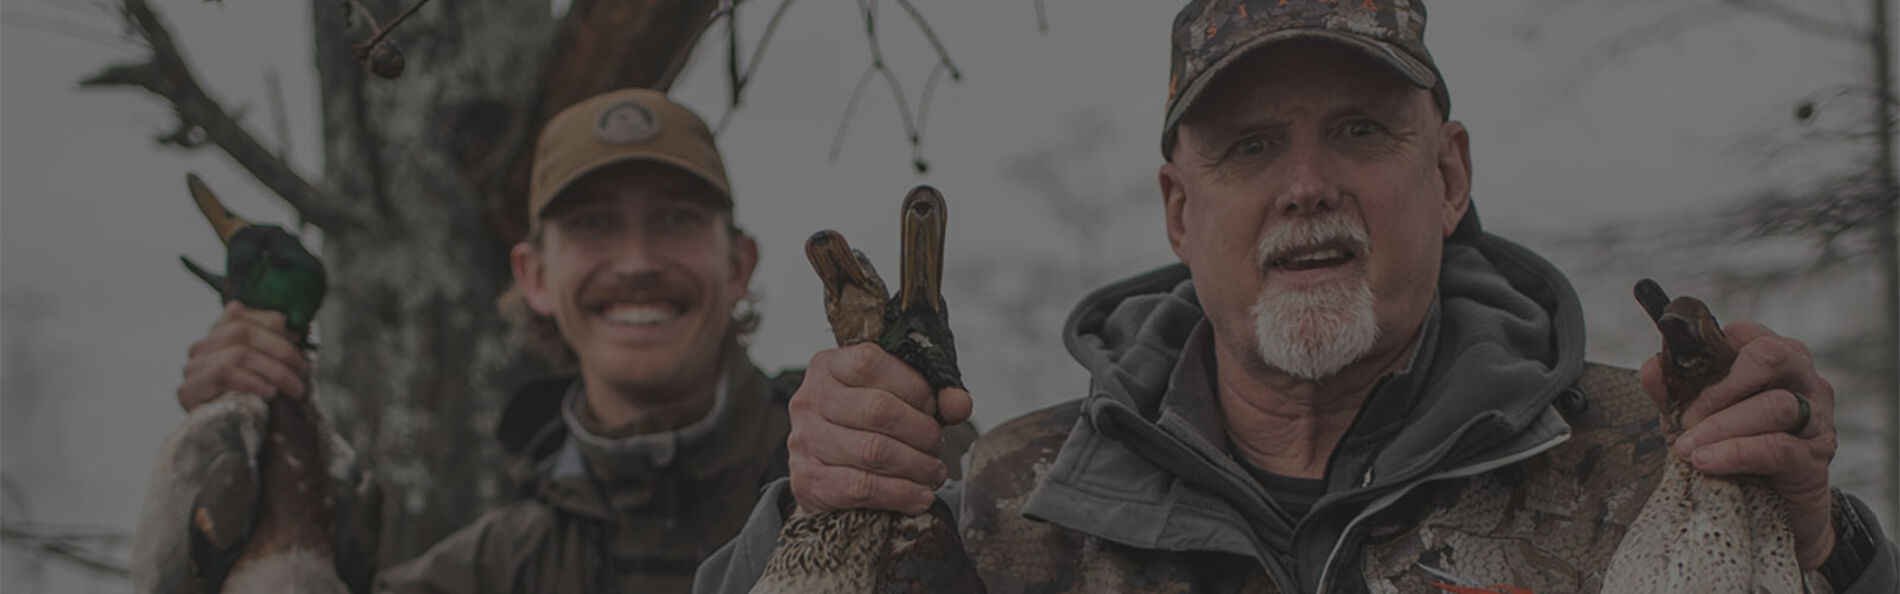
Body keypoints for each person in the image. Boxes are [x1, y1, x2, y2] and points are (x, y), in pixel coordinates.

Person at [693, 2, 1898, 593]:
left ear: (1449, 173)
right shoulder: (1015, 506)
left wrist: (1822, 552)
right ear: (1179, 210)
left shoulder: (1648, 467)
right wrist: (819, 502)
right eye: (1250, 147)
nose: (1307, 187)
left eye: (1360, 130)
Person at [168, 88, 975, 593]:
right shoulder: (479, 574)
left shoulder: (868, 446)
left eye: (676, 219)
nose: (637, 262)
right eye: (592, 225)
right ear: (534, 276)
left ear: (740, 265)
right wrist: (250, 467)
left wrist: (903, 452)